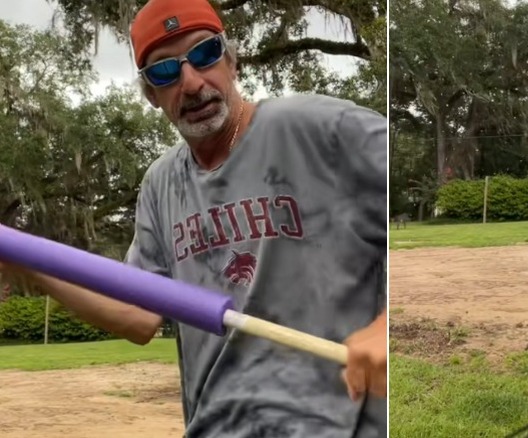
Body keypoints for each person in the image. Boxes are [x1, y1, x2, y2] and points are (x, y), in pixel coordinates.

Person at [0, 0, 388, 436]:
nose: (190, 82)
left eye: (204, 54)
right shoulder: (161, 183)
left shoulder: (318, 129)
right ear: (151, 94)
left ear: (231, 59)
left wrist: (385, 327)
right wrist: (26, 261)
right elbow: (138, 314)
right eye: (164, 72)